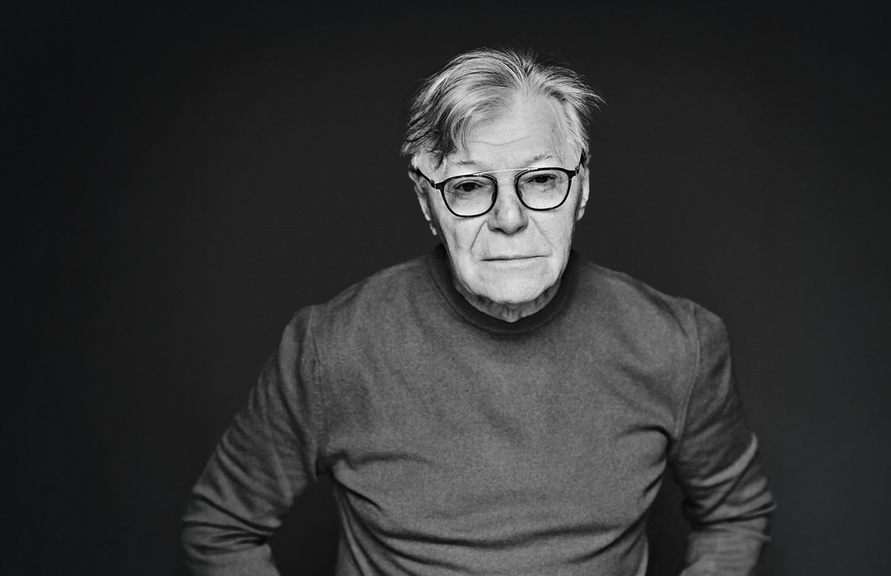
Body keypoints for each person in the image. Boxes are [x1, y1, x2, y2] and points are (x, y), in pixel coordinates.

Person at [181, 46, 775, 576]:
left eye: (541, 180)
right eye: (468, 186)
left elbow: (735, 515)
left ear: (582, 187)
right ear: (426, 199)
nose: (509, 219)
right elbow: (221, 528)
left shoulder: (677, 342)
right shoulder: (330, 346)